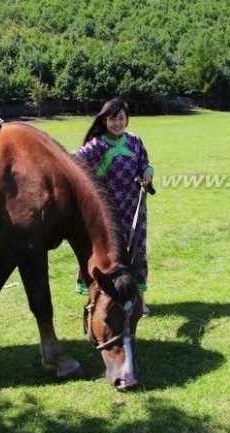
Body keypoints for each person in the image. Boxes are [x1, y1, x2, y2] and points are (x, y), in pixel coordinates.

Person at [73, 98, 153, 316]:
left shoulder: (135, 141)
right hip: (107, 213)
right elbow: (75, 158)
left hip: (133, 208)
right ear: (104, 120)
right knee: (105, 255)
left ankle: (139, 301)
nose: (117, 123)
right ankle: (97, 299)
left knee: (136, 254)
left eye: (121, 118)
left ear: (127, 120)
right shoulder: (98, 144)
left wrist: (148, 172)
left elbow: (145, 163)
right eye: (112, 119)